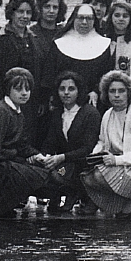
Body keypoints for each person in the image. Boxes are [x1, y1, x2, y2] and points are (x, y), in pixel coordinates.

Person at [0, 68, 53, 218]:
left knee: (53, 171)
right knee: (44, 177)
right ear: (8, 89)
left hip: (10, 161)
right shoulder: (0, 112)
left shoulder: (17, 111)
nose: (24, 93)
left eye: (27, 89)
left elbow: (21, 145)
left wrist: (38, 156)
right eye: (18, 89)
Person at [81, 70, 131, 217]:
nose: (116, 95)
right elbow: (102, 141)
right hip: (115, 164)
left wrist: (116, 160)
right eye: (112, 91)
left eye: (121, 91)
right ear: (106, 94)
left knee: (99, 176)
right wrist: (95, 155)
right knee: (87, 177)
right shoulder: (107, 114)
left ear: (129, 93)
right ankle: (125, 204)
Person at [36, 70, 101, 214]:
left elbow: (87, 148)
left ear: (79, 91)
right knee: (41, 170)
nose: (66, 93)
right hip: (65, 165)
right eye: (62, 89)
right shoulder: (57, 113)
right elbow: (50, 142)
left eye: (71, 89)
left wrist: (61, 158)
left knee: (56, 174)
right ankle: (62, 193)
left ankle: (77, 193)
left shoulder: (90, 113)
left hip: (83, 165)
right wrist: (43, 157)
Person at [45, 3, 114, 106]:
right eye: (81, 18)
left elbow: (106, 75)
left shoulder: (105, 44)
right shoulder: (59, 43)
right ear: (74, 19)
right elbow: (49, 76)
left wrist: (96, 91)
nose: (84, 22)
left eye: (89, 18)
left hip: (94, 102)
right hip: (62, 102)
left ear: (94, 20)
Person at [0, 0, 43, 106]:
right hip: (7, 101)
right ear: (12, 13)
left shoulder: (34, 38)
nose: (25, 16)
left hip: (31, 102)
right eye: (20, 11)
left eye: (28, 12)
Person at [105, 0, 131, 74]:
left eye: (125, 16)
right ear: (111, 17)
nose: (121, 19)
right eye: (117, 15)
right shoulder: (103, 40)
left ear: (130, 19)